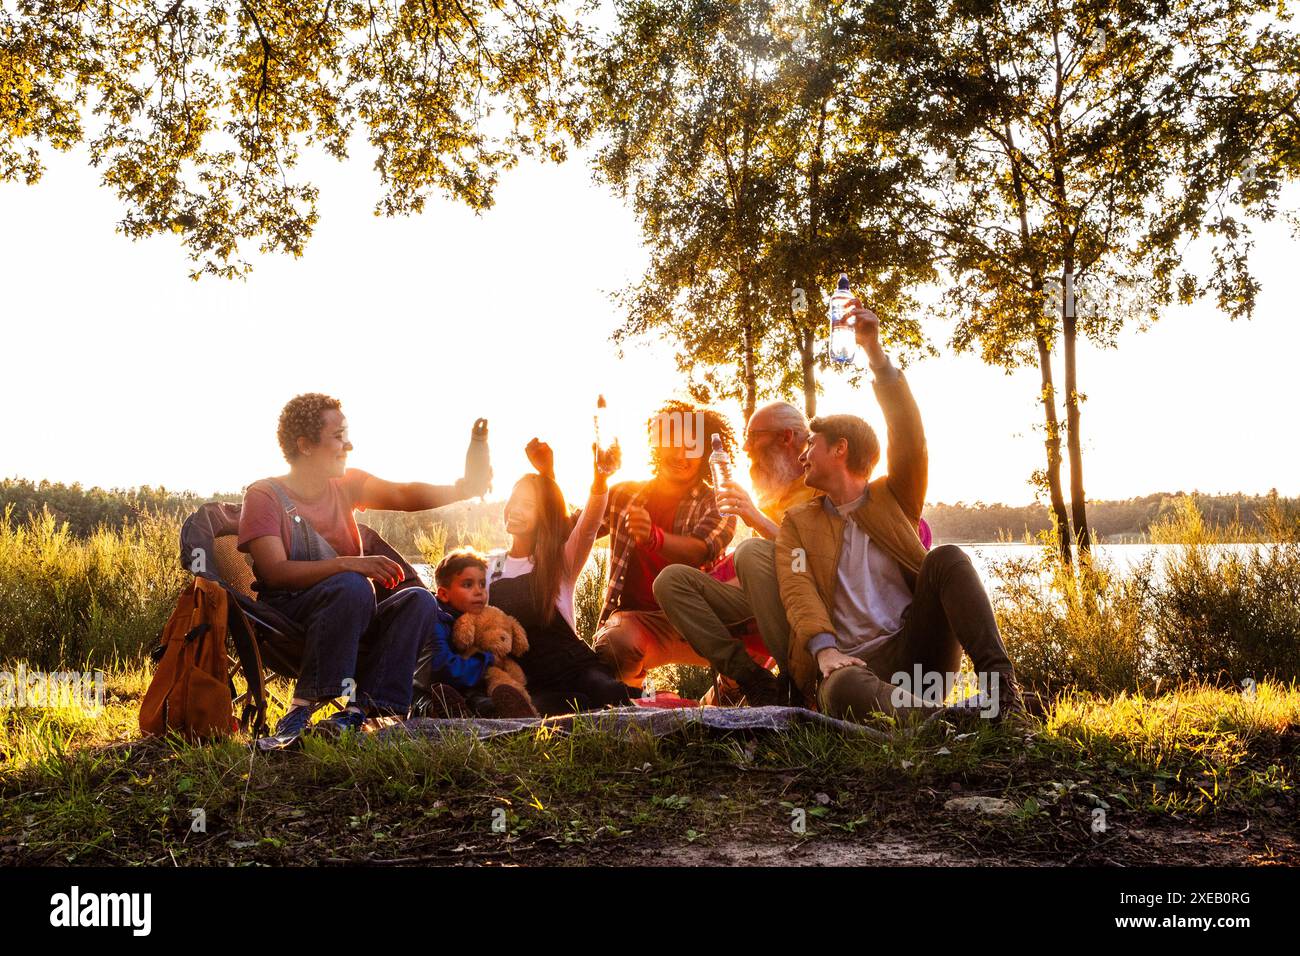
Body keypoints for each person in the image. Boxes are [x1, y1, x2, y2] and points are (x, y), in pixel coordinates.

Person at [773, 300, 1025, 724]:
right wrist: (825, 650)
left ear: (840, 448)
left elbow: (909, 437)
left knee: (948, 558)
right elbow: (798, 591)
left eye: (810, 446)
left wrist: (874, 353)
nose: (802, 457)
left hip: (918, 654)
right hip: (856, 668)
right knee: (842, 690)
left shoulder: (896, 497)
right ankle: (942, 721)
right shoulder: (798, 523)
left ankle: (1003, 696)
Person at [239, 393, 491, 748]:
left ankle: (368, 710)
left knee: (418, 600)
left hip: (354, 610)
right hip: (290, 614)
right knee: (353, 585)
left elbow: (404, 495)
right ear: (305, 445)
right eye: (338, 435)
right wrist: (349, 564)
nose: (349, 444)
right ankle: (303, 706)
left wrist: (463, 488)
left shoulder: (346, 484)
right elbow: (275, 571)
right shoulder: (265, 496)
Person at [652, 401, 816, 704]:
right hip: (768, 597)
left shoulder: (819, 482)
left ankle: (795, 683)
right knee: (671, 581)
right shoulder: (772, 495)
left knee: (751, 550)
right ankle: (751, 679)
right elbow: (759, 573)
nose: (745, 447)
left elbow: (814, 557)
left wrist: (754, 517)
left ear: (786, 437)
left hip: (810, 597)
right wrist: (706, 601)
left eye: (754, 436)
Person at [589, 400, 738, 689]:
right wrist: (598, 480)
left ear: (705, 452)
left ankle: (722, 706)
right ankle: (631, 701)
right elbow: (574, 531)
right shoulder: (622, 495)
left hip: (699, 619)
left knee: (757, 645)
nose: (682, 455)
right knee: (614, 645)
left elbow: (700, 550)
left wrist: (654, 538)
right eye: (673, 443)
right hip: (640, 621)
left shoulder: (718, 503)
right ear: (657, 445)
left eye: (692, 446)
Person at [484, 439, 636, 715]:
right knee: (540, 708)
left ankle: (642, 708)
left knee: (605, 691)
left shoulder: (559, 561)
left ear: (544, 514)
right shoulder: (489, 567)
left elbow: (587, 527)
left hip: (576, 668)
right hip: (532, 679)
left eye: (527, 504)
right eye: (514, 500)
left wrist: (600, 478)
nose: (516, 509)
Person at [410, 549, 535, 719]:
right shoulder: (435, 621)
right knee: (437, 701)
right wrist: (488, 659)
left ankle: (506, 710)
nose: (479, 592)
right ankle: (449, 713)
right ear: (444, 594)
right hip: (428, 691)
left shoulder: (475, 619)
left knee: (479, 699)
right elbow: (444, 669)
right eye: (468, 585)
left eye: (482, 584)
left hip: (463, 689)